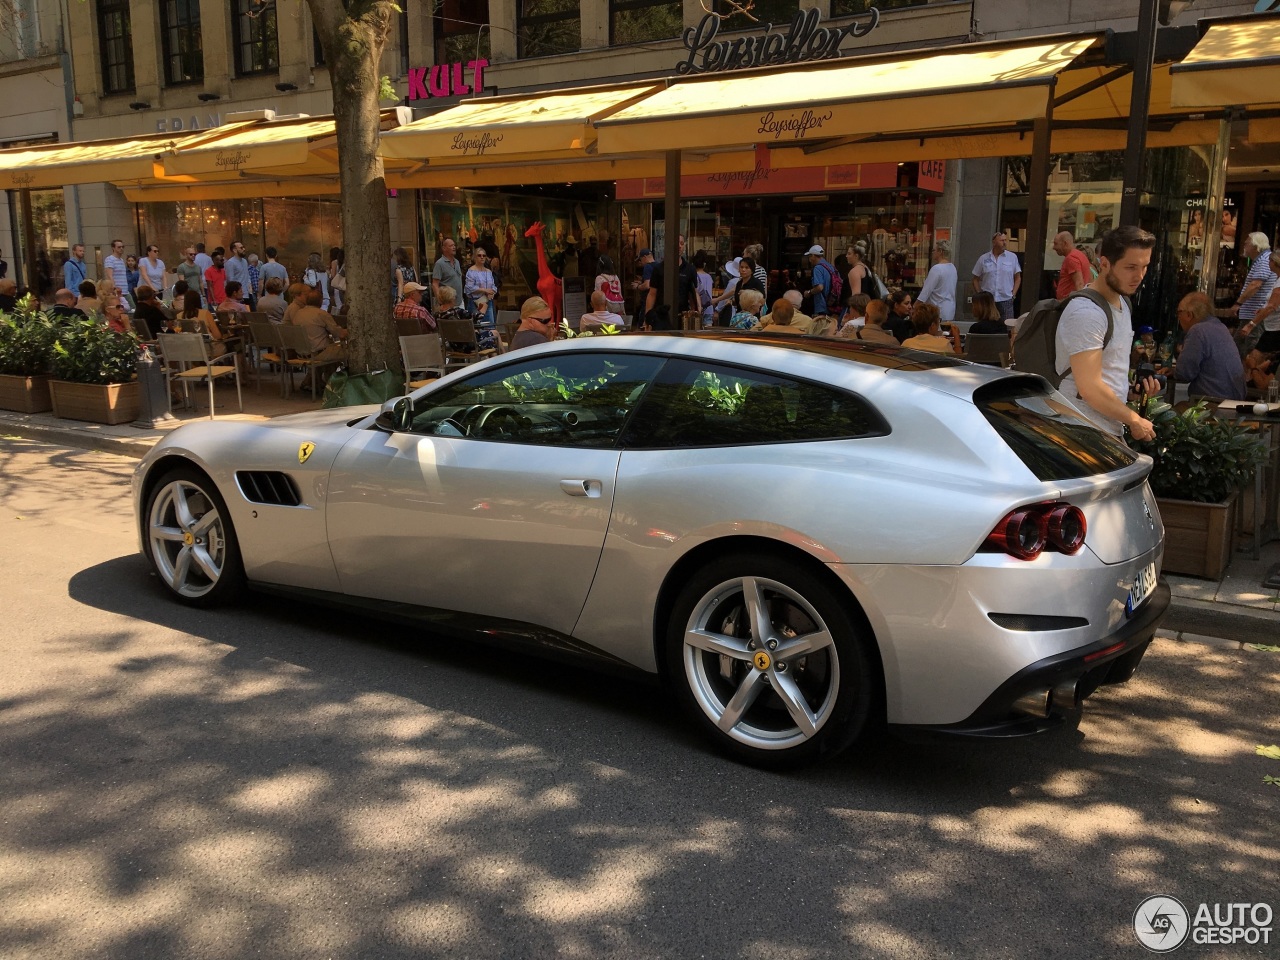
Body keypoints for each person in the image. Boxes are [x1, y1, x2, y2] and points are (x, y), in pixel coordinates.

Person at [1056, 225, 1160, 440]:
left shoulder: (1123, 302)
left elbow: (1110, 372)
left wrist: (1131, 392)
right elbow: (1090, 388)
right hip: (1079, 434)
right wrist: (1134, 419)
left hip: (1105, 432)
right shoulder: (1087, 313)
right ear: (1104, 264)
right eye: (1131, 267)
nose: (1139, 276)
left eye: (1145, 267)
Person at [1169, 291, 1245, 400]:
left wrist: (1173, 371)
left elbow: (1184, 374)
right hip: (1233, 401)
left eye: (1179, 312)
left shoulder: (1198, 330)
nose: (1178, 317)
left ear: (1189, 315)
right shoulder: (1221, 327)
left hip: (1212, 403)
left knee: (1169, 413)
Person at [1232, 233, 1277, 351]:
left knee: (1245, 349)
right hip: (1253, 313)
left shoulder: (1264, 261)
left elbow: (1255, 285)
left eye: (1247, 242)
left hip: (1255, 314)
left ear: (1256, 246)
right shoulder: (1261, 260)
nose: (1244, 244)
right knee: (1239, 348)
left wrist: (1238, 303)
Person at [645, 234, 698, 328]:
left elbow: (693, 294)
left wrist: (696, 313)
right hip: (660, 317)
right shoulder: (658, 269)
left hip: (683, 317)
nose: (679, 246)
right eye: (676, 243)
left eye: (682, 243)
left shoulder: (690, 269)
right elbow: (652, 293)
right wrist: (647, 318)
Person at [971, 231, 1021, 319]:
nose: (1005, 243)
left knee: (1007, 327)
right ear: (994, 242)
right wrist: (980, 294)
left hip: (1006, 299)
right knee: (987, 326)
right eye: (1002, 240)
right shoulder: (984, 258)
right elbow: (975, 278)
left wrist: (1013, 295)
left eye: (1005, 240)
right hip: (988, 301)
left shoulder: (1012, 257)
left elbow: (1017, 278)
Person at [292, 287, 347, 363]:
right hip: (319, 353)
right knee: (350, 351)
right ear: (321, 301)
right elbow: (339, 333)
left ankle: (317, 374)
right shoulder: (321, 314)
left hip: (301, 353)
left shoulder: (298, 313)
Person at [917, 240, 957, 322]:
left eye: (934, 250)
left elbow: (926, 291)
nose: (932, 253)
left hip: (936, 310)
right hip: (949, 309)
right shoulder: (952, 267)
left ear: (940, 251)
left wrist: (915, 306)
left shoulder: (936, 269)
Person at [463, 246, 497, 325]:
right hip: (476, 302)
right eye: (479, 255)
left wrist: (492, 292)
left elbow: (493, 285)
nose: (482, 257)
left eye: (484, 255)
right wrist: (484, 290)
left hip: (488, 301)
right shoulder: (471, 271)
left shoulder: (488, 271)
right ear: (475, 257)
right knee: (477, 326)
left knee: (490, 325)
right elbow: (469, 288)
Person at [1053, 232, 1090, 299]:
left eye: (1056, 244)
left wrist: (1080, 303)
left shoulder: (1071, 258)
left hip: (1069, 302)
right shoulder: (1079, 255)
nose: (1054, 247)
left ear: (1065, 243)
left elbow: (1079, 284)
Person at [429, 241, 463, 312]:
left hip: (459, 302)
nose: (454, 247)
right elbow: (435, 284)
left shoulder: (457, 262)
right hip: (447, 304)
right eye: (451, 246)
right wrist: (440, 300)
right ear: (444, 248)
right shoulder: (439, 264)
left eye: (454, 245)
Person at [805, 244, 837, 318]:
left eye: (810, 256)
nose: (809, 259)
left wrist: (809, 292)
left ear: (813, 256)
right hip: (831, 303)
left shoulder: (817, 268)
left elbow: (819, 287)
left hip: (822, 306)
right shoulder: (830, 266)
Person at [327, 247, 344, 313]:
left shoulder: (334, 262)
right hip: (343, 283)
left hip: (337, 284)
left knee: (338, 303)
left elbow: (333, 275)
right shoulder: (342, 262)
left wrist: (329, 274)